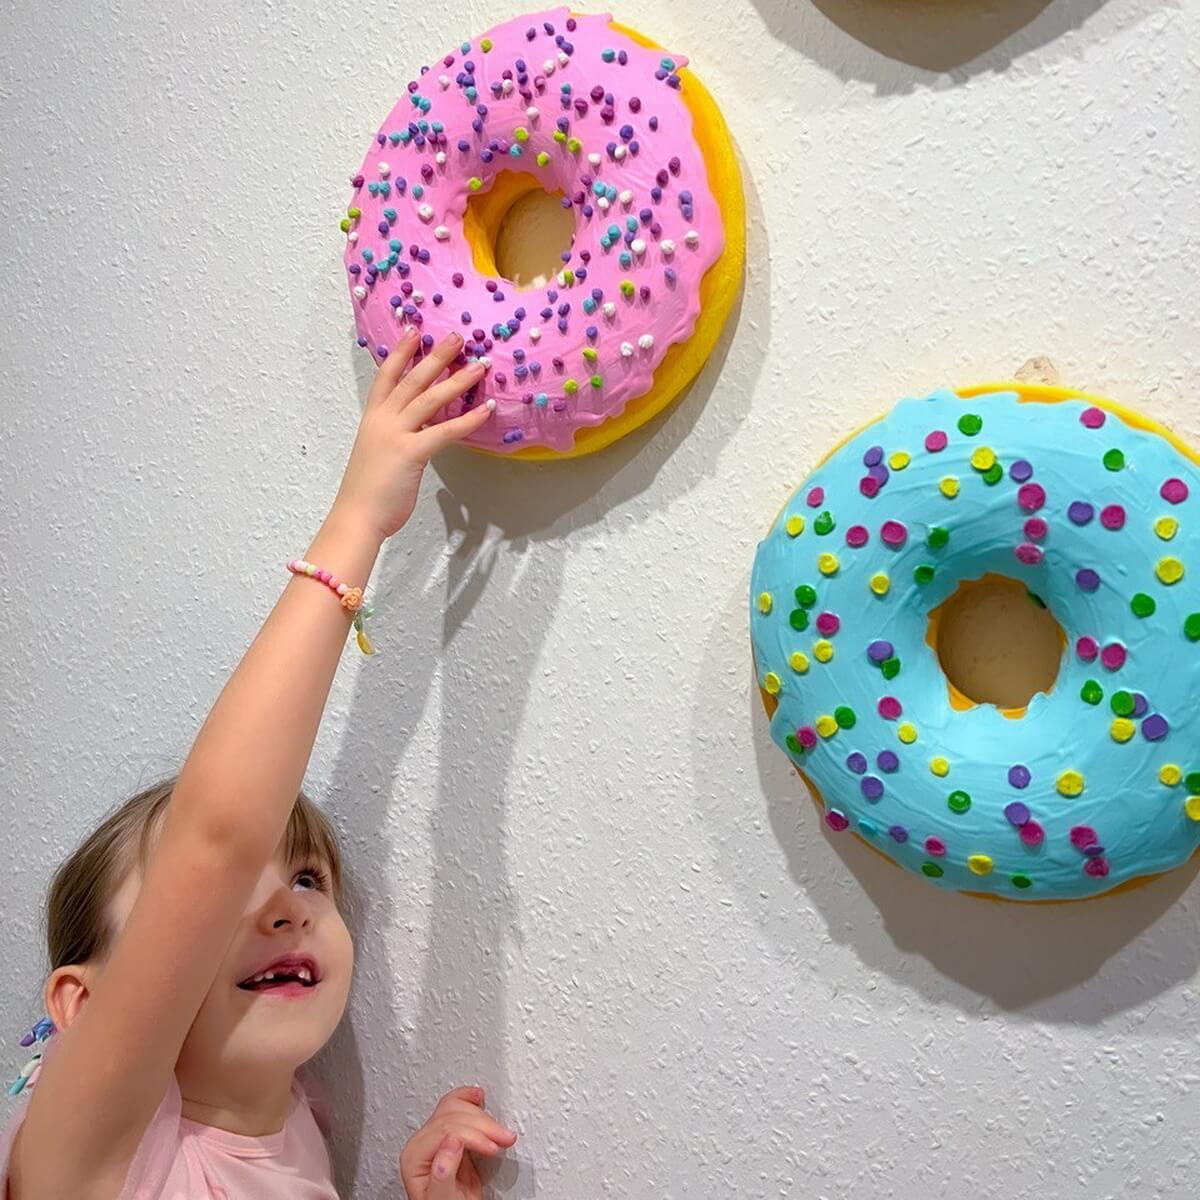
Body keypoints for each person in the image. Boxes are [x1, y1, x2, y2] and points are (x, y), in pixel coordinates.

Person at [2, 330, 518, 1198]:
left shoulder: (298, 1128)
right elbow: (218, 834)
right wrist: (358, 519)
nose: (285, 907)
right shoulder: (83, 1163)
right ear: (81, 1007)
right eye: (221, 896)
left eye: (310, 879)